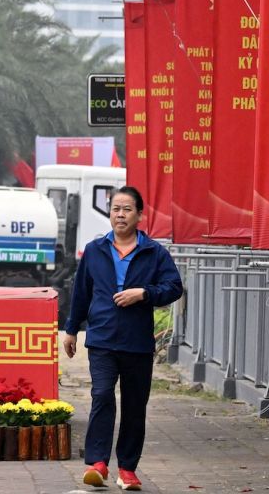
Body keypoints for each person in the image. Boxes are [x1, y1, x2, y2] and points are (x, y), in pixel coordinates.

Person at [62, 185, 183, 491]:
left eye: (127, 209)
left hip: (137, 342)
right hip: (102, 339)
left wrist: (144, 293)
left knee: (134, 406)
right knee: (102, 395)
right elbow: (81, 292)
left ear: (139, 215)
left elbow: (174, 287)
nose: (120, 215)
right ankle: (97, 463)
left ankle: (127, 469)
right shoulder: (95, 250)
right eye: (115, 209)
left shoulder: (154, 253)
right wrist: (71, 329)